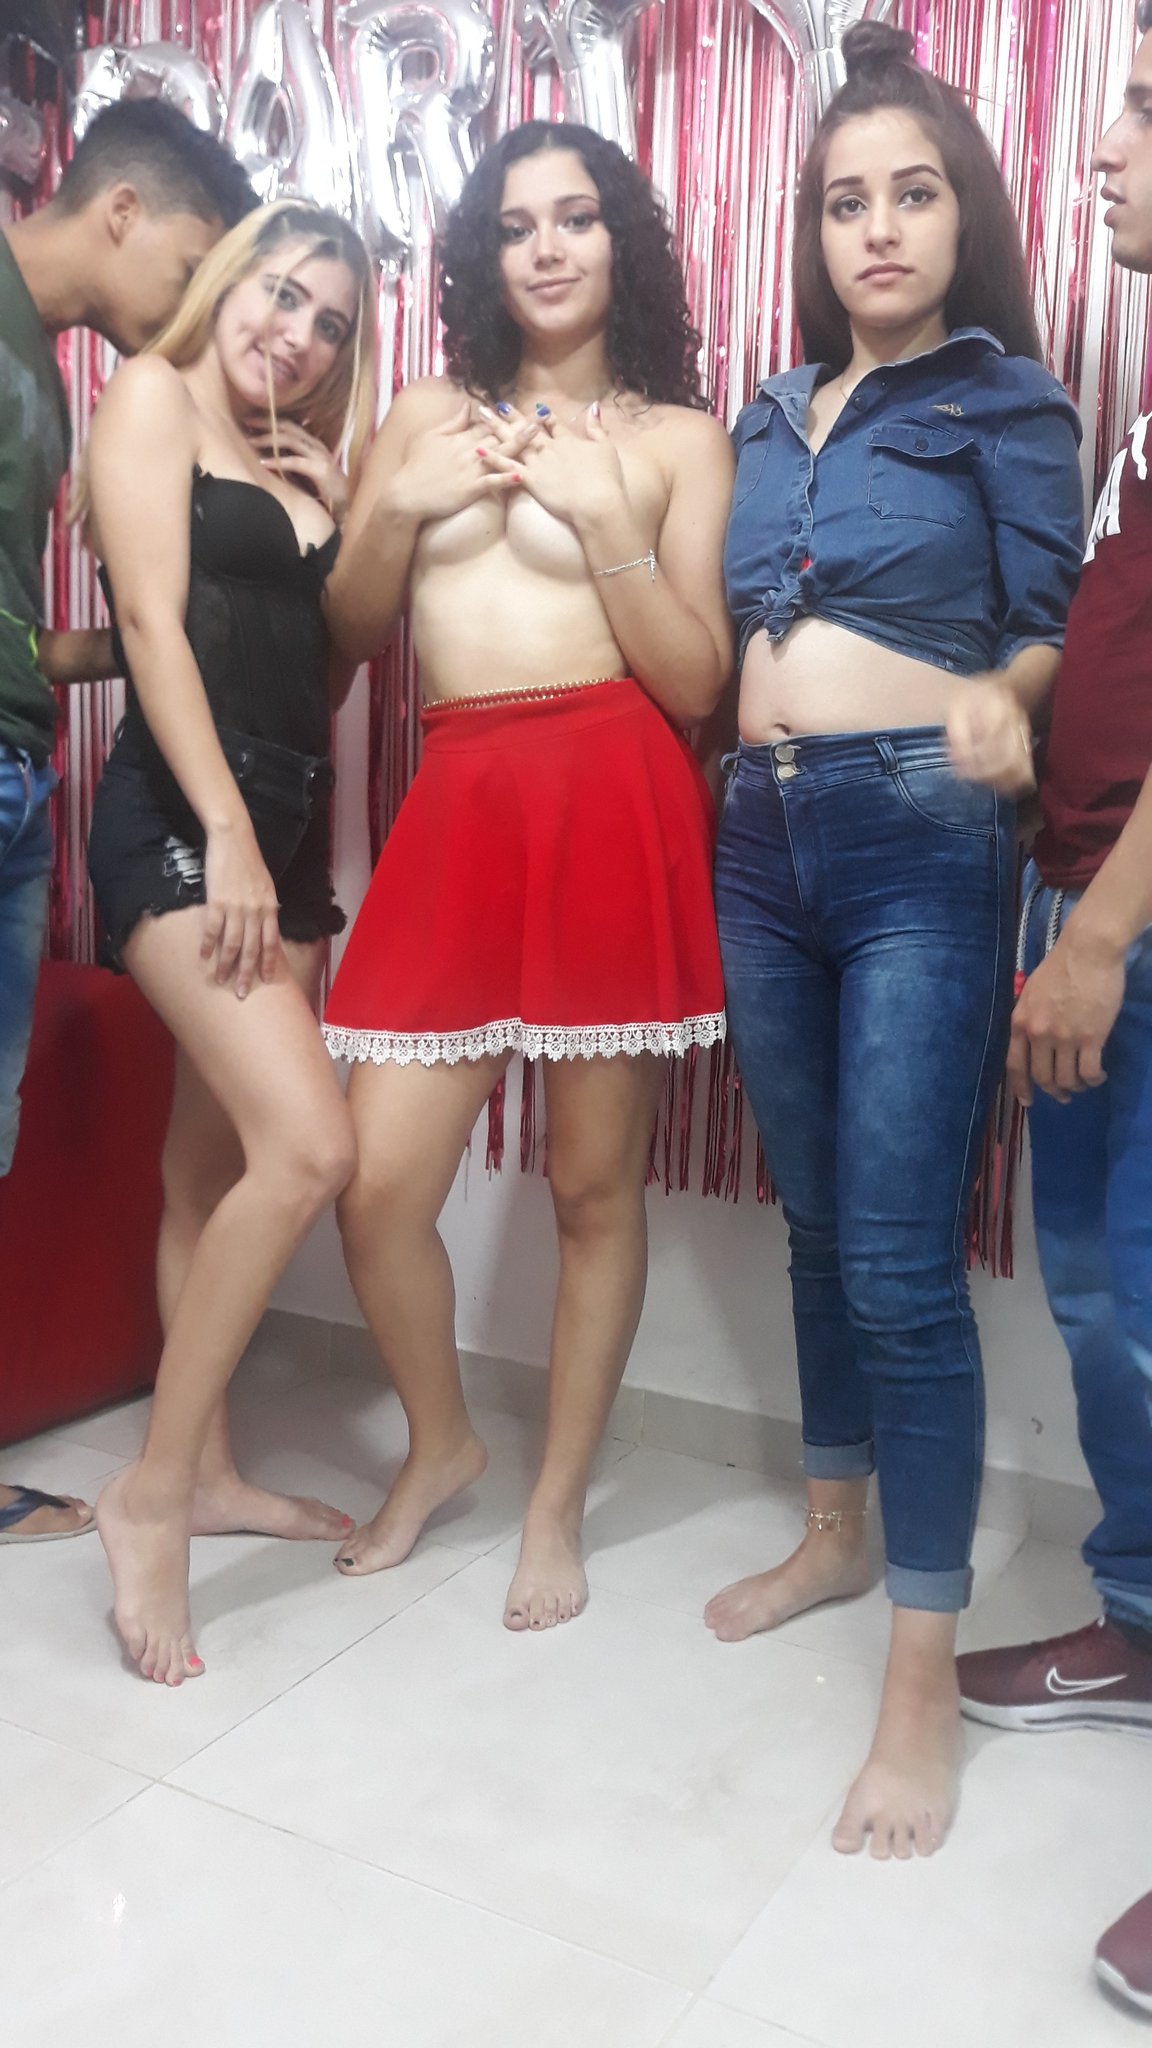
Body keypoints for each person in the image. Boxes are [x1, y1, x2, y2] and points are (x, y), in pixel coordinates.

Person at [704, 21, 1084, 1859]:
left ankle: (920, 1682)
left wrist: (1011, 696)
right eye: (845, 200)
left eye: (912, 194)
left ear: (962, 217)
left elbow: (1046, 623)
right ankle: (834, 1529)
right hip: (755, 834)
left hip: (922, 829)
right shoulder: (766, 413)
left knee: (899, 1260)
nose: (876, 227)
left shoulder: (1008, 400)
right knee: (812, 1225)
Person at [320, 120, 733, 1631]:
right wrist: (396, 503)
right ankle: (443, 1443)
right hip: (462, 795)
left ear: (623, 240)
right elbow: (349, 633)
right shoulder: (428, 411)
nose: (547, 247)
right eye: (515, 225)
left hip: (611, 790)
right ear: (481, 255)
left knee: (589, 1185)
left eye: (576, 217)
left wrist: (611, 523)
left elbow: (697, 684)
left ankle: (554, 1506)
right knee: (375, 1186)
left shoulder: (678, 440)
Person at [83, 200, 377, 1683]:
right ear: (227, 275)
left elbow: (319, 680)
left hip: (289, 830)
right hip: (189, 822)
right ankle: (148, 1492)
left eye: (331, 321)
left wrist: (340, 508)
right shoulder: (150, 395)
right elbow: (149, 623)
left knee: (209, 1173)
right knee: (312, 1150)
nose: (298, 334)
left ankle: (203, 1475)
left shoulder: (290, 461)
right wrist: (230, 834)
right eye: (281, 291)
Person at [955, 3, 1152, 2009]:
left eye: (1148, 115)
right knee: (1097, 1297)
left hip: (1132, 921)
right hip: (1090, 893)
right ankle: (1143, 1620)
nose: (1105, 148)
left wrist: (1100, 934)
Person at [0, 99, 254, 1545]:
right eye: (192, 263)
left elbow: (20, 637)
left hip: (18, 771)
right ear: (120, 212)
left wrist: (147, 640)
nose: (197, 302)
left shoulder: (48, 372)